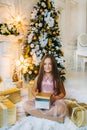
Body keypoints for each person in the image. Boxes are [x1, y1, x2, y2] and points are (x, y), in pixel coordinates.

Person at [24, 54, 68, 118]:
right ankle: (47, 114)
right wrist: (36, 95)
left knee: (61, 109)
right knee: (26, 105)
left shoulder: (57, 78)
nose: (47, 66)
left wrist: (55, 98)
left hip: (54, 100)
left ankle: (38, 113)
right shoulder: (38, 77)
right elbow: (33, 90)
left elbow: (63, 93)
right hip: (42, 100)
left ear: (53, 65)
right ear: (42, 65)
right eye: (45, 64)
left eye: (50, 64)